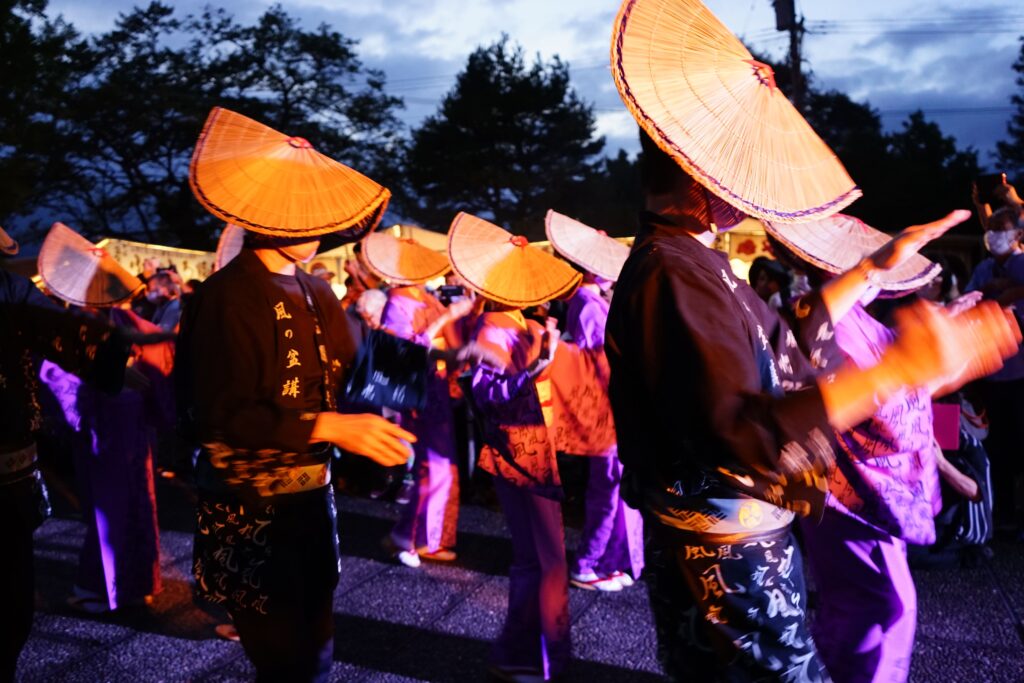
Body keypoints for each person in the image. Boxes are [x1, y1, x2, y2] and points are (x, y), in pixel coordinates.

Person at [605, 129, 1019, 682]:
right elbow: (739, 430)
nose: (749, 192)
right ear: (697, 173)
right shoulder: (673, 272)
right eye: (738, 174)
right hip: (722, 554)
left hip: (744, 541)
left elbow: (791, 342)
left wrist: (873, 269)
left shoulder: (691, 261)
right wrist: (900, 371)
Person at [180, 106, 495, 682]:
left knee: (318, 648)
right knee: (285, 659)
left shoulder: (313, 289)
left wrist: (449, 358)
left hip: (310, 498)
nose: (321, 231)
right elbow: (218, 412)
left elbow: (360, 357)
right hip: (251, 505)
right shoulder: (225, 297)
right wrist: (326, 425)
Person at [449, 212, 582, 682]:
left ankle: (521, 652)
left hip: (532, 449)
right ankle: (536, 658)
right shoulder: (494, 328)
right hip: (519, 453)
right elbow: (489, 396)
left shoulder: (517, 323)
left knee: (538, 558)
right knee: (544, 560)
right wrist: (537, 366)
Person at [1, 225, 134, 681]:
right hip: (86, 441)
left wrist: (107, 353)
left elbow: (58, 340)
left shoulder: (9, 291)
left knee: (10, 614)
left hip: (15, 473)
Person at [34, 223, 169, 615]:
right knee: (115, 508)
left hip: (120, 427)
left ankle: (126, 584)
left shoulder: (112, 322)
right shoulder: (88, 325)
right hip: (107, 426)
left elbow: (155, 343)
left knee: (128, 505)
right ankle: (111, 586)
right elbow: (55, 373)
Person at [544, 211, 644, 592]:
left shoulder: (595, 301)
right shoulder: (586, 304)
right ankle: (588, 562)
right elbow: (594, 361)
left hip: (615, 407)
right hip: (605, 409)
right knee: (608, 491)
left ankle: (611, 560)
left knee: (617, 491)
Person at [362, 230, 472, 567]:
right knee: (433, 469)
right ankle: (406, 535)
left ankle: (427, 537)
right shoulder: (397, 302)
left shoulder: (424, 297)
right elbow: (404, 351)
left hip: (435, 388)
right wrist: (448, 317)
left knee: (442, 468)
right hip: (418, 391)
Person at [966, 205, 1024, 538]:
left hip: (1020, 374)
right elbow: (971, 299)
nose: (993, 235)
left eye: (1000, 228)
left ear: (1017, 234)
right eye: (989, 228)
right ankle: (1002, 513)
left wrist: (1008, 292)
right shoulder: (985, 269)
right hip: (993, 372)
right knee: (997, 444)